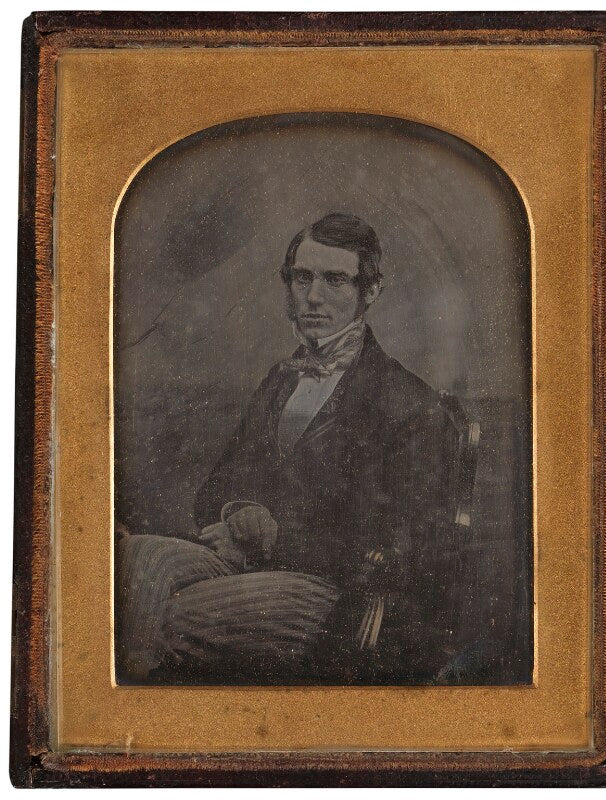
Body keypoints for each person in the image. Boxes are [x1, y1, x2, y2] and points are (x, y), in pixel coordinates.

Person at [117, 213, 459, 685]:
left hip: (338, 594)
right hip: (250, 564)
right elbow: (215, 487)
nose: (313, 297)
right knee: (133, 559)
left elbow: (402, 549)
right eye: (302, 277)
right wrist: (240, 509)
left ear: (371, 291)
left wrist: (276, 540)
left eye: (334, 280)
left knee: (168, 618)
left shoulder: (408, 403)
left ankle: (131, 711)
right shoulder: (282, 379)